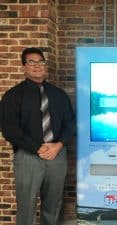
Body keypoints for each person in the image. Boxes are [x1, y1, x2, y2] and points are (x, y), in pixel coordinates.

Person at [1, 47, 75, 225]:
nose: (37, 66)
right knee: (26, 205)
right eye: (31, 62)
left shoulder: (59, 95)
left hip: (56, 155)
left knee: (53, 204)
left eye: (40, 62)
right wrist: (37, 148)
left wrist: (58, 145)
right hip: (28, 157)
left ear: (45, 65)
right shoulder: (12, 96)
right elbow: (9, 129)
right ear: (23, 67)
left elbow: (71, 123)